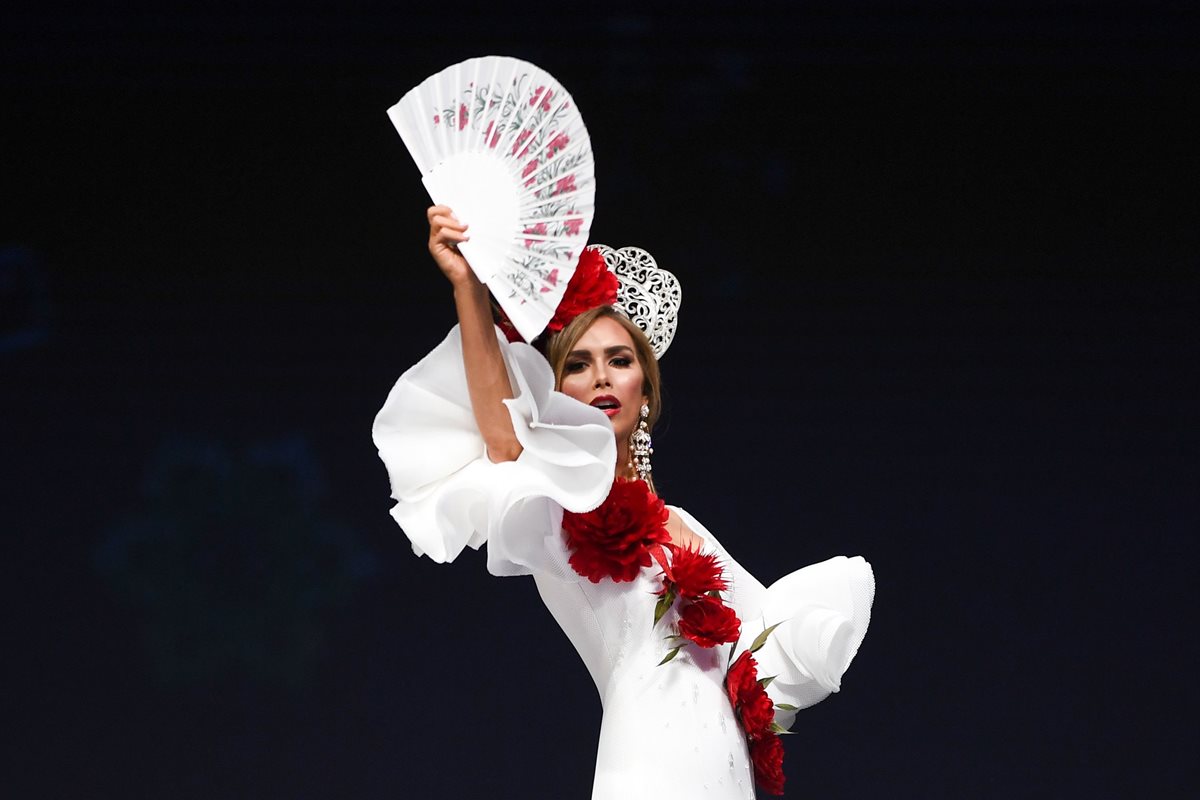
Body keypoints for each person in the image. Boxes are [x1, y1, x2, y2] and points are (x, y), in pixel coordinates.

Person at [372, 205, 875, 799]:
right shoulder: (562, 501)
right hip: (646, 761)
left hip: (723, 767)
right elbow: (505, 442)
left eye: (619, 360)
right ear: (557, 394)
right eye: (579, 366)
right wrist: (469, 289)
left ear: (646, 386)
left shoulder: (685, 525)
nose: (603, 377)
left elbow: (765, 642)